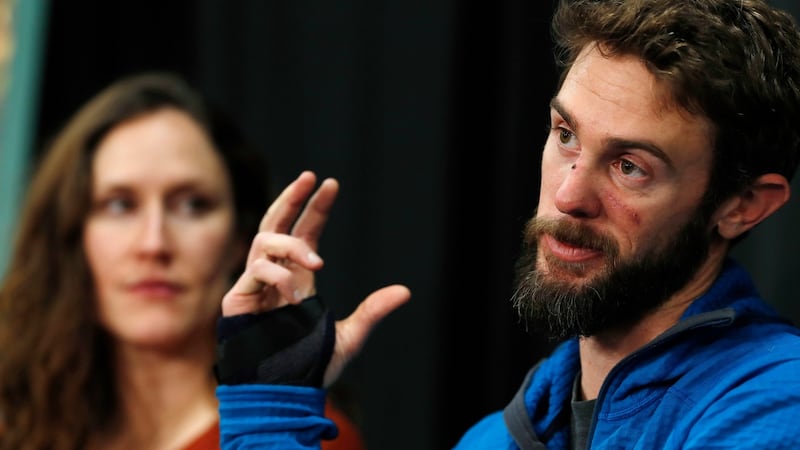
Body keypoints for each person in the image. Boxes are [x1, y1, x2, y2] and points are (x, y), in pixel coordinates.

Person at [212, 0, 800, 448]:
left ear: (744, 205)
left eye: (630, 167)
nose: (568, 196)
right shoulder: (495, 439)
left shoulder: (775, 405)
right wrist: (272, 407)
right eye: (565, 135)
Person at [0, 72, 365, 450]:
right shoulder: (18, 432)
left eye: (193, 205)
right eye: (120, 205)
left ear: (241, 239)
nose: (154, 243)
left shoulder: (295, 438)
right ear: (73, 238)